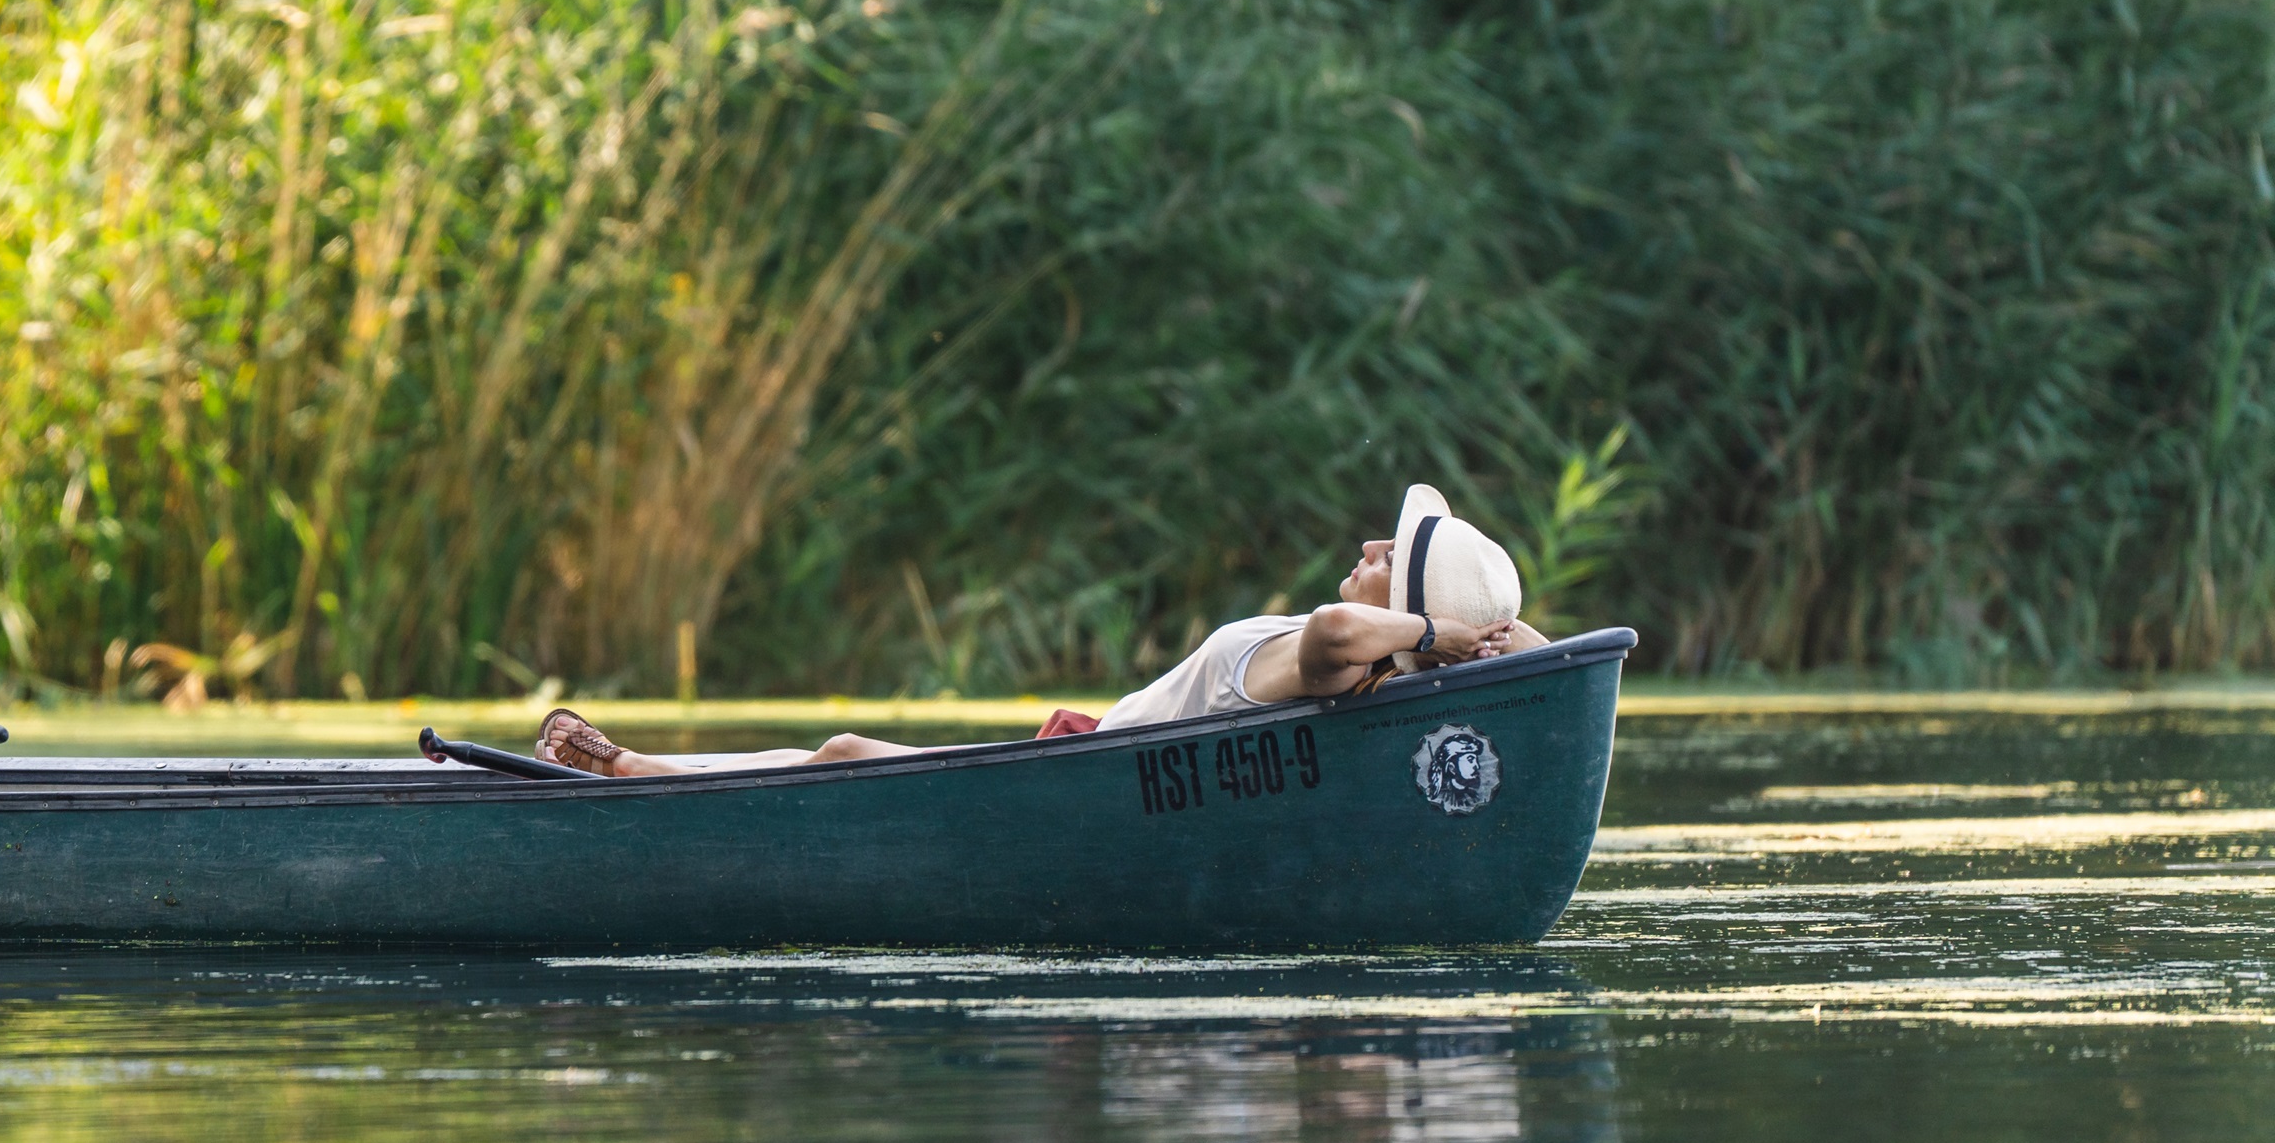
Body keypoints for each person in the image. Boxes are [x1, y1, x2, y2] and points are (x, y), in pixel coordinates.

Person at [530, 482, 1549, 778]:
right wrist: (1467, 633)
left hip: (1076, 779)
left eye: (1390, 548)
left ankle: (629, 772)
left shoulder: (1329, 650)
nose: (1370, 536)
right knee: (841, 749)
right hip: (1079, 768)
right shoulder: (1375, 669)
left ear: (1402, 603)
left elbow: (1337, 630)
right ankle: (636, 767)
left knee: (841, 751)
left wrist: (1438, 625)